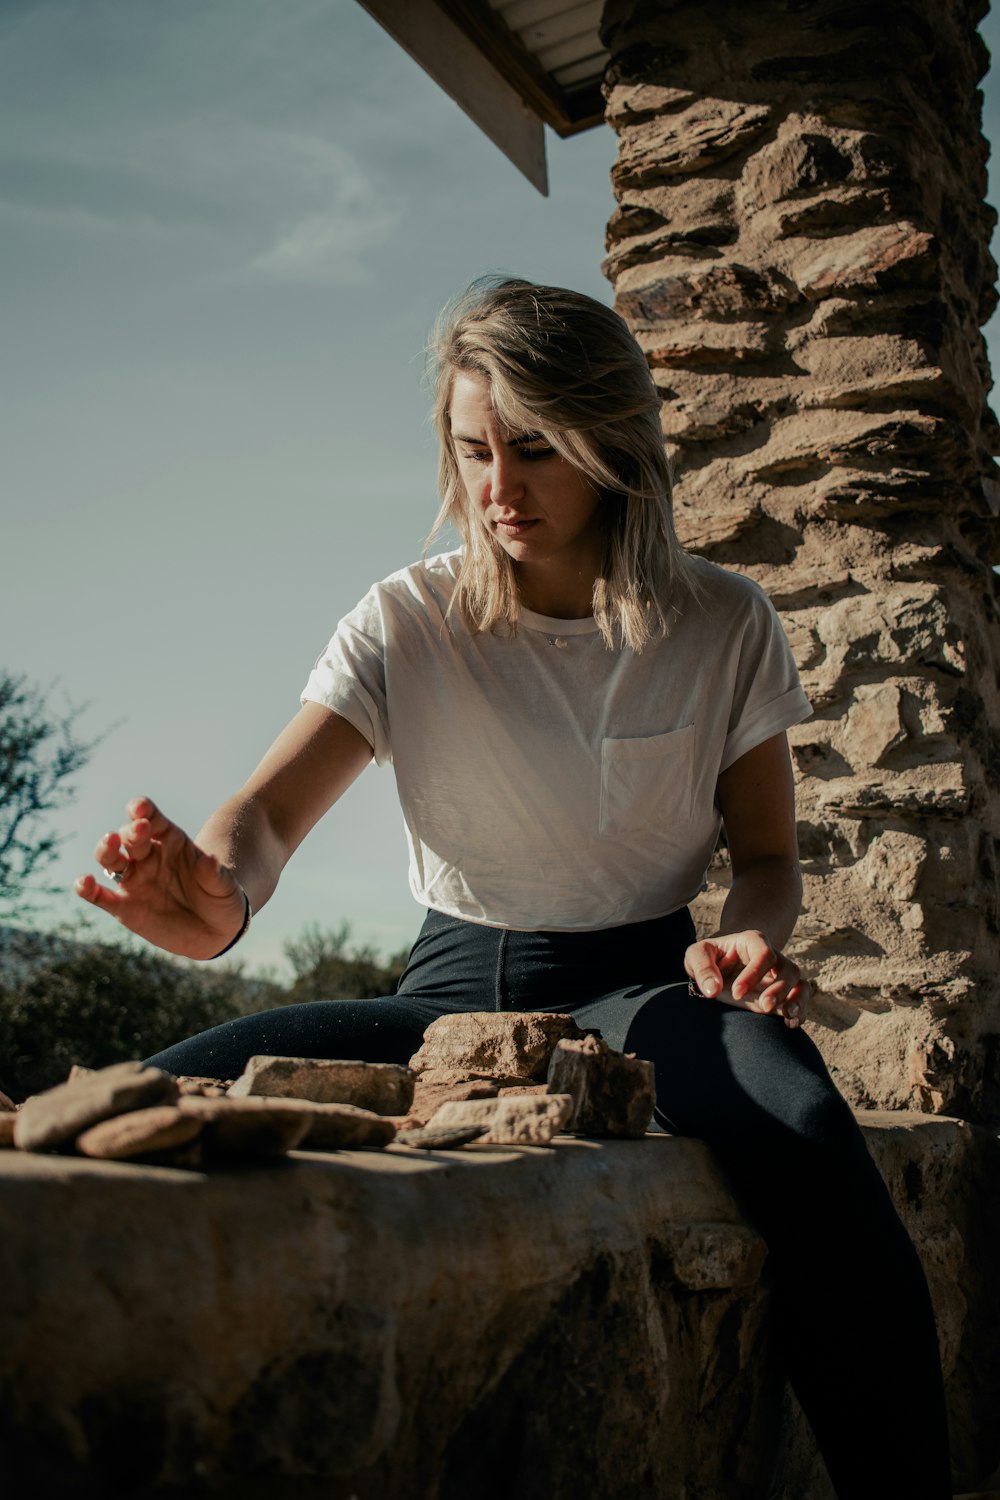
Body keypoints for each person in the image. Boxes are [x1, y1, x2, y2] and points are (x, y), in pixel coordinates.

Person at [76, 278, 950, 1498]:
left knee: (798, 1116)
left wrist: (744, 946)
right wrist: (217, 890)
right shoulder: (407, 616)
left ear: (611, 445)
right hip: (446, 999)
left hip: (649, 993)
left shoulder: (723, 621)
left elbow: (764, 859)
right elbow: (267, 812)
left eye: (534, 448)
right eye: (473, 448)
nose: (498, 486)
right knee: (158, 1094)